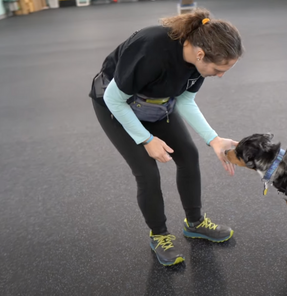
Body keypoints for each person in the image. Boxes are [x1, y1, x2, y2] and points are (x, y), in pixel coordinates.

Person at [89, 8, 244, 266]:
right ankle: (159, 235)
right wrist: (147, 140)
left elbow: (184, 100)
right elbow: (114, 99)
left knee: (189, 155)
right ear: (201, 53)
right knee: (147, 171)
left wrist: (213, 139)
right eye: (219, 69)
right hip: (116, 104)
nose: (221, 75)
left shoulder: (198, 63)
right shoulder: (151, 49)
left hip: (156, 103)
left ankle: (194, 223)